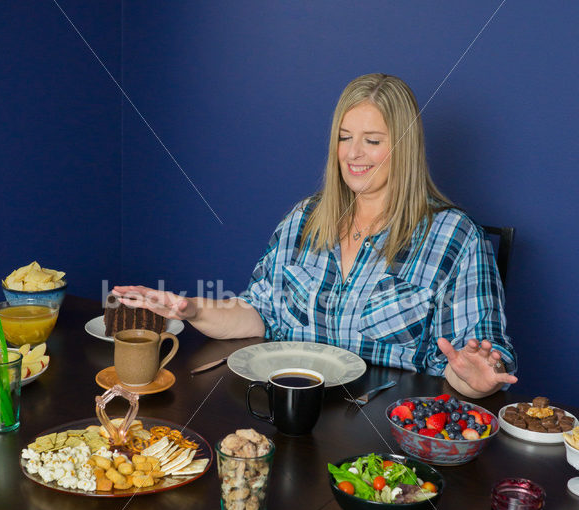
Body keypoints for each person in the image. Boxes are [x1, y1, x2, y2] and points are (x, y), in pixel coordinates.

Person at [113, 73, 517, 399]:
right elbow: (259, 315)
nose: (353, 153)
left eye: (372, 141)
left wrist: (478, 377)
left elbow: (474, 365)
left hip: (384, 440)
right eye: (345, 137)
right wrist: (191, 309)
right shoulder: (303, 219)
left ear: (405, 147)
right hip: (289, 416)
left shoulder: (457, 238)